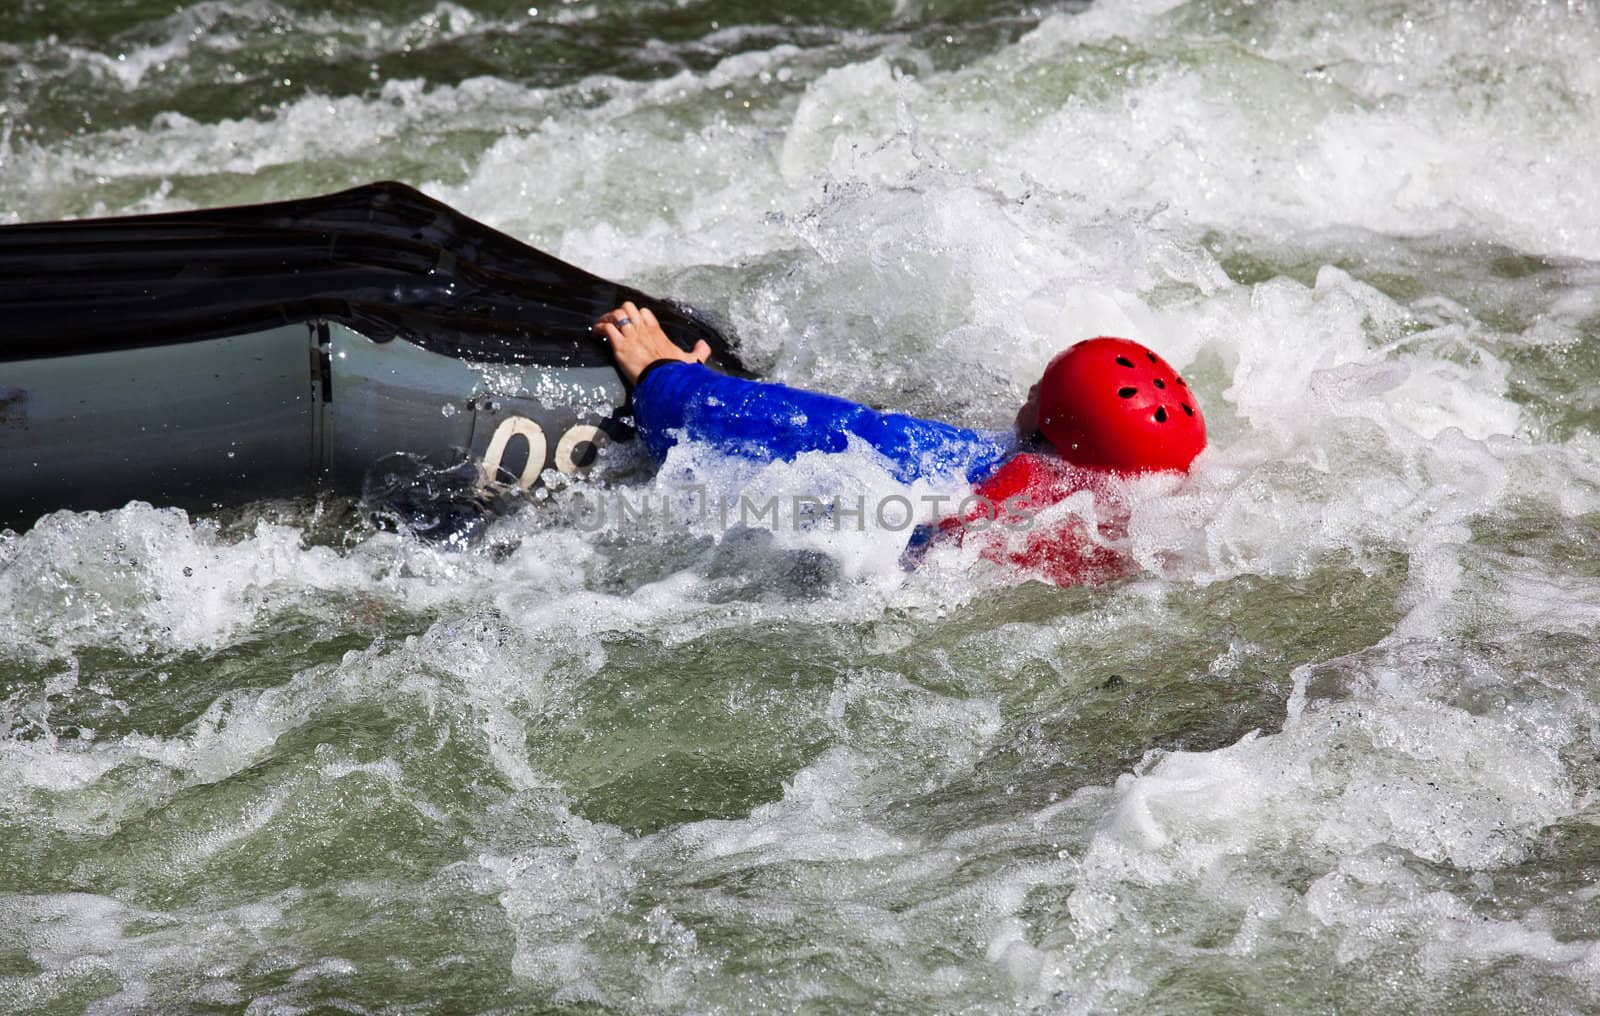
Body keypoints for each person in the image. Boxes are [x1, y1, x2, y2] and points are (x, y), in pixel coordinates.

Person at [592, 301, 1207, 585]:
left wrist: (667, 380)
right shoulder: (1164, 522)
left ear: (1046, 429)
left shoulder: (976, 468)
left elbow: (825, 430)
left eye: (1038, 392)